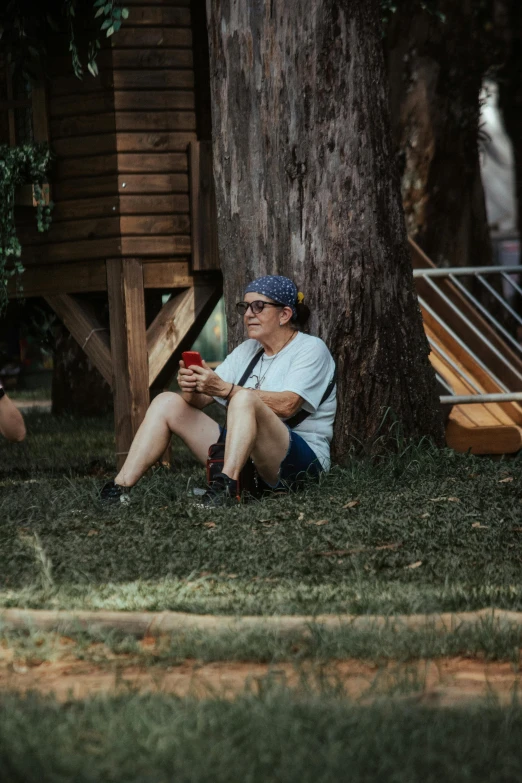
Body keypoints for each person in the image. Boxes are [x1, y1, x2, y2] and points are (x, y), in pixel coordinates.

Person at [101, 275, 336, 507]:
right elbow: (201, 401)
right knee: (166, 402)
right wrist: (195, 385)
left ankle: (226, 489)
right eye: (245, 307)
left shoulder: (310, 348)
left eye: (259, 306)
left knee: (243, 398)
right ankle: (119, 488)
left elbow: (288, 405)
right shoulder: (248, 350)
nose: (248, 314)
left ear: (284, 314)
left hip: (301, 463)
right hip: (250, 460)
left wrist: (225, 389)